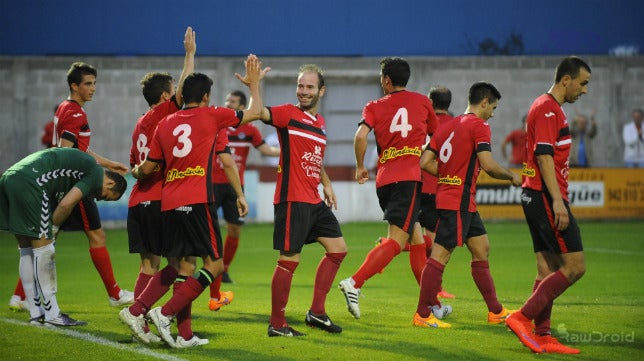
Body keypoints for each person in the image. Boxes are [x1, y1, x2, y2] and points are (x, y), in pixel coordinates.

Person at [121, 55, 264, 348]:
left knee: (181, 268)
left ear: (181, 96)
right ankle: (164, 313)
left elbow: (148, 168)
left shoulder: (165, 123)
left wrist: (134, 170)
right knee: (215, 266)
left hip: (169, 204)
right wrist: (254, 86)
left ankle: (171, 328)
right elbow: (257, 112)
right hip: (197, 201)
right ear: (207, 96)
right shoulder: (213, 115)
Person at [413, 82, 521, 329]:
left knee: (481, 248)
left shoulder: (448, 126)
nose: (492, 113)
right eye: (493, 107)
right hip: (457, 201)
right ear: (483, 102)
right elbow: (489, 164)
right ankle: (421, 314)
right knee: (441, 255)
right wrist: (511, 176)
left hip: (462, 201)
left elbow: (424, 161)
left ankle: (495, 311)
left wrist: (448, 176)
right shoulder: (479, 126)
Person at [339, 57, 439, 320]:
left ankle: (432, 304)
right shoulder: (422, 102)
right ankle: (354, 283)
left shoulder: (374, 105)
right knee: (397, 241)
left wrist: (361, 166)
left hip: (385, 180)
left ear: (385, 80)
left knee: (416, 241)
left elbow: (361, 136)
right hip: (408, 179)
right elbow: (436, 139)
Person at [253, 64, 348, 337]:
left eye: (309, 87)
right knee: (289, 260)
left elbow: (314, 159)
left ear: (321, 91)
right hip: (292, 199)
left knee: (338, 249)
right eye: (300, 86)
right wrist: (254, 85)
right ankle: (277, 324)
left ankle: (316, 313)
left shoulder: (320, 123)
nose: (303, 92)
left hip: (313, 198)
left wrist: (327, 184)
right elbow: (259, 112)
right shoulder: (287, 114)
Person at [505, 56, 591, 354]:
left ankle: (542, 335)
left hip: (535, 195)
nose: (585, 90)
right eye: (583, 83)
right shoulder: (548, 110)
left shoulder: (547, 108)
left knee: (547, 269)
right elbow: (543, 157)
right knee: (574, 267)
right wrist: (557, 200)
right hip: (544, 196)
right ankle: (521, 317)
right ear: (565, 80)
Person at [0, 147, 127, 326]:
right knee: (45, 250)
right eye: (107, 197)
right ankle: (53, 314)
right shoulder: (94, 175)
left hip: (9, 177)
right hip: (32, 183)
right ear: (110, 184)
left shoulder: (85, 166)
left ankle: (36, 314)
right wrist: (52, 230)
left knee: (26, 249)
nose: (99, 199)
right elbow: (66, 204)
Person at [124, 26, 195, 344]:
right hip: (157, 199)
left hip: (137, 200)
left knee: (148, 264)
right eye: (173, 93)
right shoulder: (164, 114)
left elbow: (133, 165)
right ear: (166, 96)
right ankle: (150, 318)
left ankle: (143, 323)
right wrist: (189, 55)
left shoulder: (140, 121)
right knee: (180, 264)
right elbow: (186, 91)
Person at [49, 61, 133, 307]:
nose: (93, 88)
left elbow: (78, 149)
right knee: (97, 236)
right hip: (76, 184)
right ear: (74, 86)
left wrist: (108, 163)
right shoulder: (76, 112)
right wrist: (78, 179)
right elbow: (66, 153)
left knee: (47, 239)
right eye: (88, 84)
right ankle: (115, 294)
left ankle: (20, 296)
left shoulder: (65, 108)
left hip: (65, 182)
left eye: (94, 83)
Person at [206, 90, 279, 311]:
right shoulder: (218, 125)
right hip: (212, 183)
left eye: (233, 102)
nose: (228, 104)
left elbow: (266, 150)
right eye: (227, 101)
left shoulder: (249, 130)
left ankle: (224, 269)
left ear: (240, 106)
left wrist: (285, 150)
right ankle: (209, 270)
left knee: (234, 230)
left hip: (235, 186)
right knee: (209, 231)